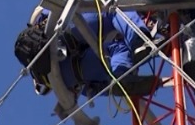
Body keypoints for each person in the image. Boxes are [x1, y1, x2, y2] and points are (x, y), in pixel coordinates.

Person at [14, 6, 159, 97]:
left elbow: (92, 88)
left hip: (72, 74)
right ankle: (138, 40)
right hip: (67, 32)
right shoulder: (43, 15)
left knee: (112, 57)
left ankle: (121, 78)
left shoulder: (48, 76)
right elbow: (62, 4)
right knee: (113, 9)